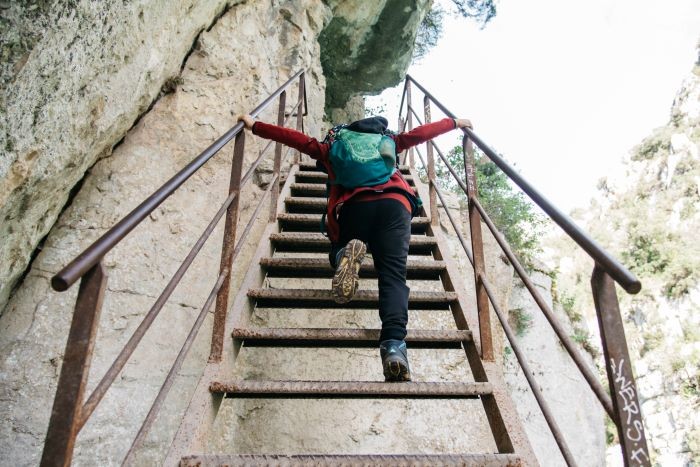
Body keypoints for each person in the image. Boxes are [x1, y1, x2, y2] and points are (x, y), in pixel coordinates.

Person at [238, 113, 472, 381]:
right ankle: (394, 347)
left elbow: (295, 139)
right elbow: (419, 134)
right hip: (396, 206)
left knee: (340, 244)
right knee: (393, 277)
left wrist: (254, 124)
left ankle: (343, 256)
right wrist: (454, 123)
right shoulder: (388, 141)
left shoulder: (334, 146)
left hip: (354, 207)